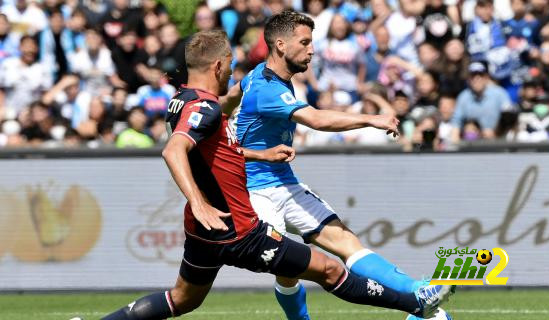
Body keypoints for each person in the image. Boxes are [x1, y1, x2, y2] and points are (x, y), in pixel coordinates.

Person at [100, 30, 451, 320]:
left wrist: (257, 153)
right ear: (219, 65)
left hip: (206, 229)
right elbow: (175, 149)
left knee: (182, 299)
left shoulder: (183, 100)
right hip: (239, 226)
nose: (231, 75)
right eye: (305, 42)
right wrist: (199, 201)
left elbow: (212, 148)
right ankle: (416, 304)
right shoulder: (209, 105)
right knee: (327, 270)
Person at [234, 10, 454, 320]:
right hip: (255, 192)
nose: (312, 50)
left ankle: (417, 290)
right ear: (281, 45)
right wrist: (370, 119)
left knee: (344, 240)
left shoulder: (259, 76)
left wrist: (222, 116)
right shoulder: (265, 87)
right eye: (305, 42)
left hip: (285, 182)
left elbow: (232, 96)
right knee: (288, 270)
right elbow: (316, 119)